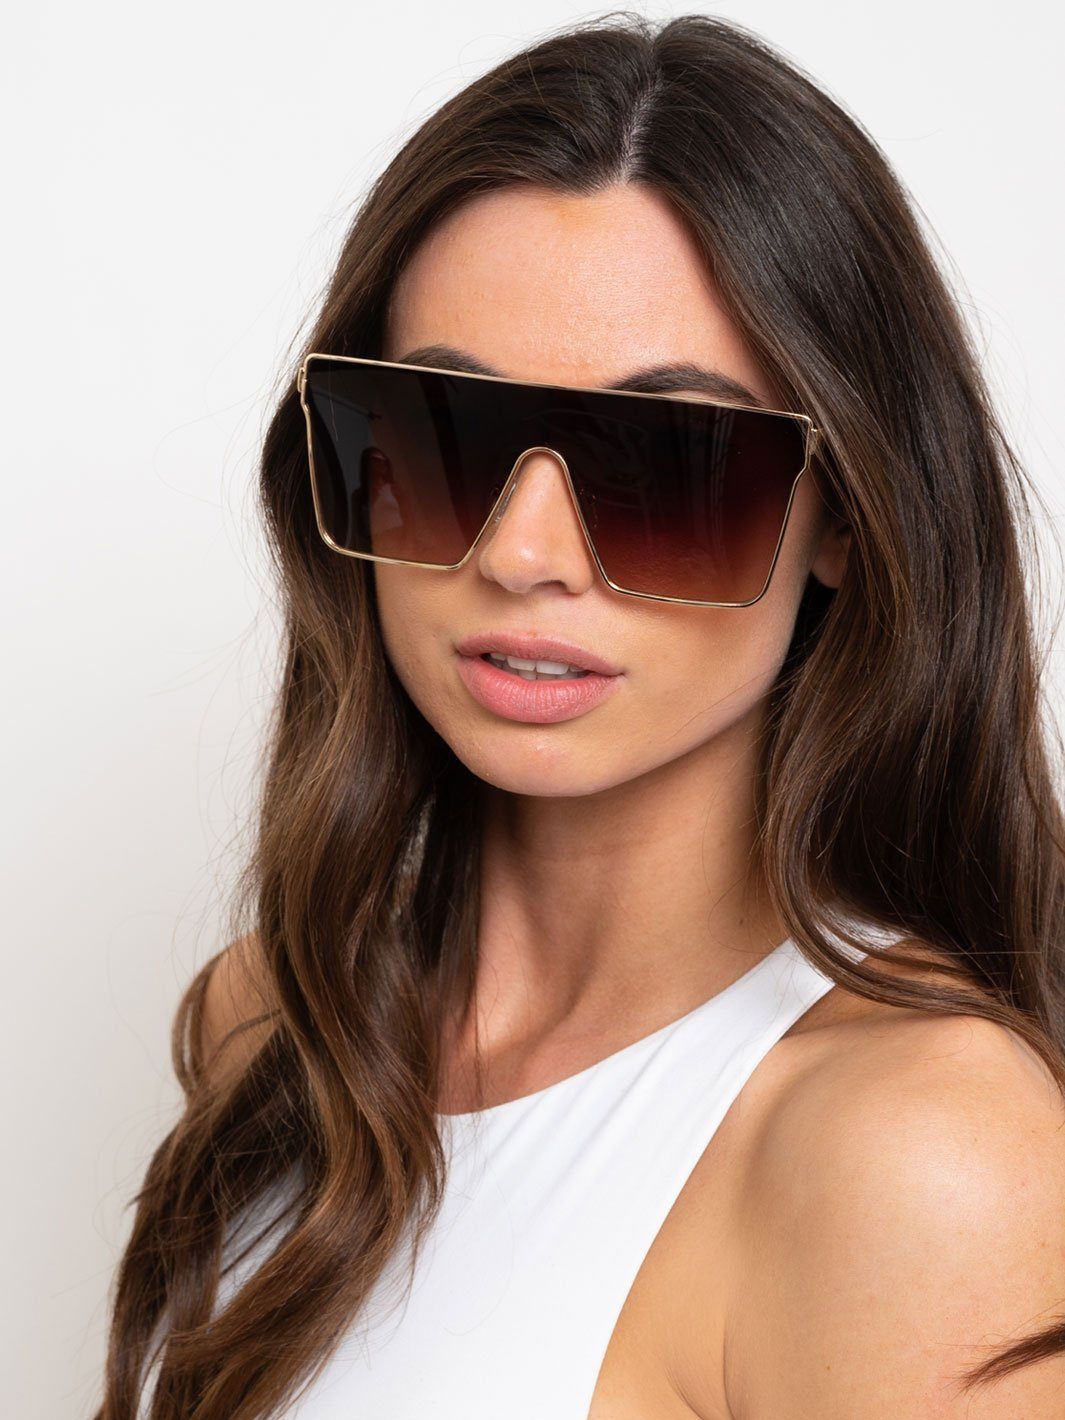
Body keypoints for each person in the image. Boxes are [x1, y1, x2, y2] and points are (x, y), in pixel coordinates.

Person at [97, 13, 1065, 1419]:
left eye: (663, 462)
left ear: (847, 520)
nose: (521, 553)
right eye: (444, 432)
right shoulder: (273, 1023)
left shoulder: (915, 1154)